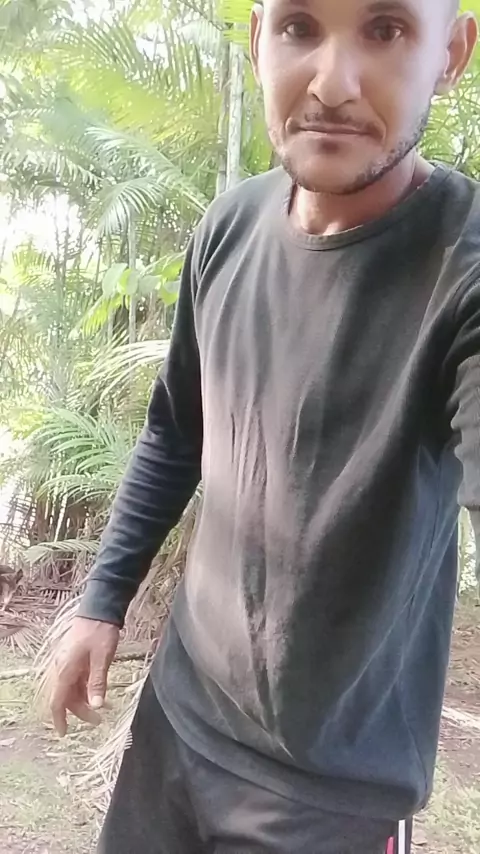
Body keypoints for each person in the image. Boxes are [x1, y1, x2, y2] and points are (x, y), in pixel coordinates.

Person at [49, 1, 479, 852]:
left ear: (451, 53)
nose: (332, 83)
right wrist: (102, 602)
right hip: (177, 719)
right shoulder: (230, 226)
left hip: (329, 794)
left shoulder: (460, 271)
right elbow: (174, 434)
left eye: (386, 29)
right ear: (256, 41)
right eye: (299, 27)